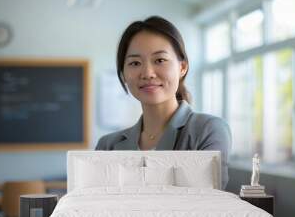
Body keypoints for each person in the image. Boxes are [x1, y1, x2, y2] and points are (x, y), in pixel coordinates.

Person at [95, 16, 232, 189]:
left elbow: (205, 205)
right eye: (135, 63)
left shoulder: (208, 130)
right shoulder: (107, 146)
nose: (148, 73)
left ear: (182, 67)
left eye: (159, 60)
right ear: (123, 74)